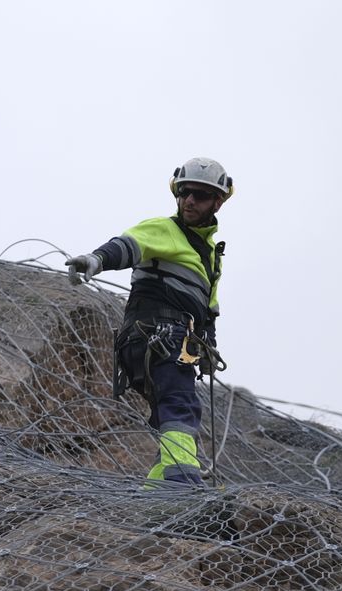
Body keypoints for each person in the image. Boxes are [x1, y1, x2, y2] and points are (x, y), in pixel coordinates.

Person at [65, 157, 233, 487]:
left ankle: (158, 489)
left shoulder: (211, 257)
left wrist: (208, 347)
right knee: (180, 405)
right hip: (156, 334)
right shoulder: (164, 229)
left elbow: (208, 309)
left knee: (171, 414)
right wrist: (95, 260)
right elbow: (127, 246)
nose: (189, 201)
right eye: (185, 193)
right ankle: (181, 485)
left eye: (199, 195)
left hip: (170, 341)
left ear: (217, 201)